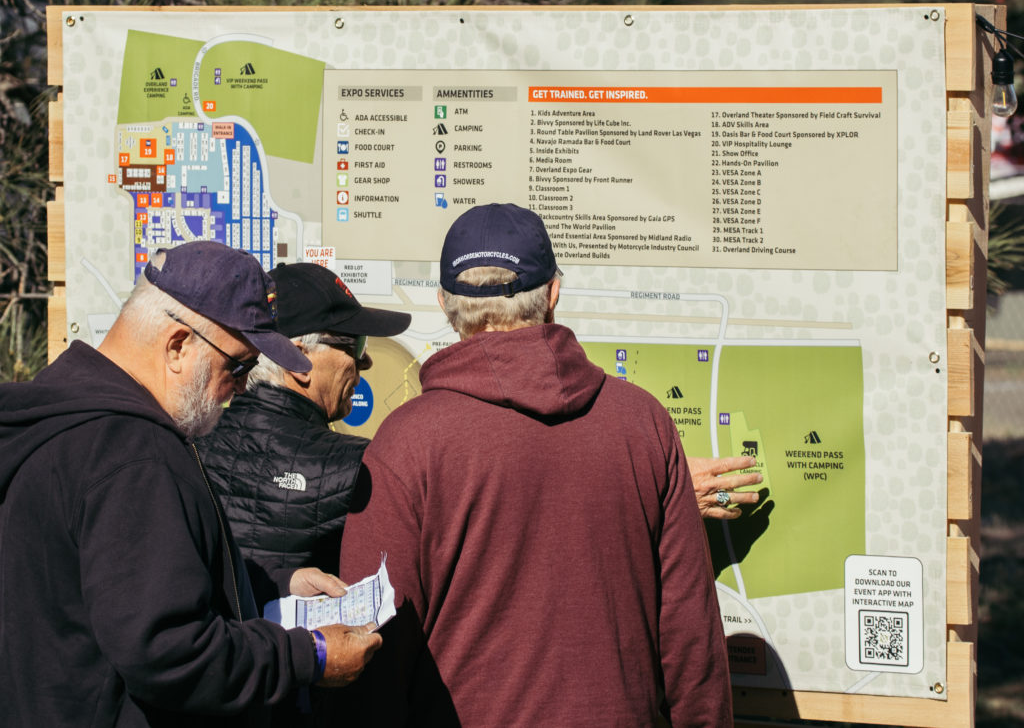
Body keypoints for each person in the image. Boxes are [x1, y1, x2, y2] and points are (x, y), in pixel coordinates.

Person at [339, 203, 733, 726]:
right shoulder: (645, 423)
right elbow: (691, 639)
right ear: (553, 294)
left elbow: (371, 644)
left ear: (445, 305)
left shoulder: (407, 442)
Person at [0, 241, 382, 727]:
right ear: (178, 345)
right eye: (238, 365)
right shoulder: (133, 455)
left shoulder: (65, 413)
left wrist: (272, 583)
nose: (244, 386)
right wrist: (311, 657)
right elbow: (169, 651)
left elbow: (118, 582)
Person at [198, 261, 411, 586]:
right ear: (298, 359)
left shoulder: (189, 446)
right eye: (356, 345)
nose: (365, 363)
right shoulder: (359, 465)